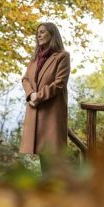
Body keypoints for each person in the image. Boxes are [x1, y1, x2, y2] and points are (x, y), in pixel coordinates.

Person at [20, 22, 70, 172]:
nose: (38, 35)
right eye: (38, 32)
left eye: (42, 32)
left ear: (52, 34)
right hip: (35, 110)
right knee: (43, 157)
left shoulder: (62, 56)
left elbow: (59, 83)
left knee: (52, 157)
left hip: (51, 112)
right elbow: (25, 79)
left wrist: (38, 97)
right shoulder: (34, 57)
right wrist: (31, 95)